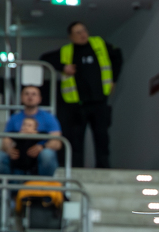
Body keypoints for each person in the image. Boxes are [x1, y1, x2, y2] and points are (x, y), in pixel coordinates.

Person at [40, 22, 123, 169]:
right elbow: (44, 58)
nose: (82, 34)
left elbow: (118, 56)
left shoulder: (99, 44)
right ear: (71, 37)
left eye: (84, 30)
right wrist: (63, 67)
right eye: (77, 32)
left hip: (99, 101)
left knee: (102, 137)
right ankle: (76, 169)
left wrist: (114, 80)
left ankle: (103, 168)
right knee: (76, 139)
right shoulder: (66, 51)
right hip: (77, 104)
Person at [0, 85, 62, 178]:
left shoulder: (49, 118)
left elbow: (57, 142)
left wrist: (42, 147)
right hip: (19, 156)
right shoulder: (14, 118)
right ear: (21, 98)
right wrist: (9, 149)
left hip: (39, 158)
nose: (30, 97)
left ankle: (44, 183)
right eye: (27, 94)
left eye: (34, 94)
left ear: (39, 99)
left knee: (47, 154)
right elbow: (6, 140)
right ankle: (8, 184)